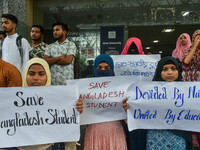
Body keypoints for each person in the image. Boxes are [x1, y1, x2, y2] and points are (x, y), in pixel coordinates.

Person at [122, 56, 192, 150]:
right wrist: (130, 110)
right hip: (155, 140)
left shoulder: (189, 93)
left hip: (179, 139)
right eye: (165, 69)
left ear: (179, 71)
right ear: (159, 71)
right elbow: (140, 116)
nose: (169, 72)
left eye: (173, 68)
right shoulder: (148, 93)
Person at [18, 58, 83, 150]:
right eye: (31, 74)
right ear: (25, 75)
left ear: (48, 76)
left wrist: (76, 109)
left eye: (41, 74)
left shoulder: (59, 99)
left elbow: (67, 125)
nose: (36, 78)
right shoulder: (15, 102)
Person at [84, 54, 127, 150]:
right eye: (99, 67)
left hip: (115, 134)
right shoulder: (85, 90)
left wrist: (127, 108)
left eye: (107, 67)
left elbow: (129, 120)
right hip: (94, 134)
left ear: (112, 69)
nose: (103, 70)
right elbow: (81, 121)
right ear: (94, 68)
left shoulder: (121, 90)